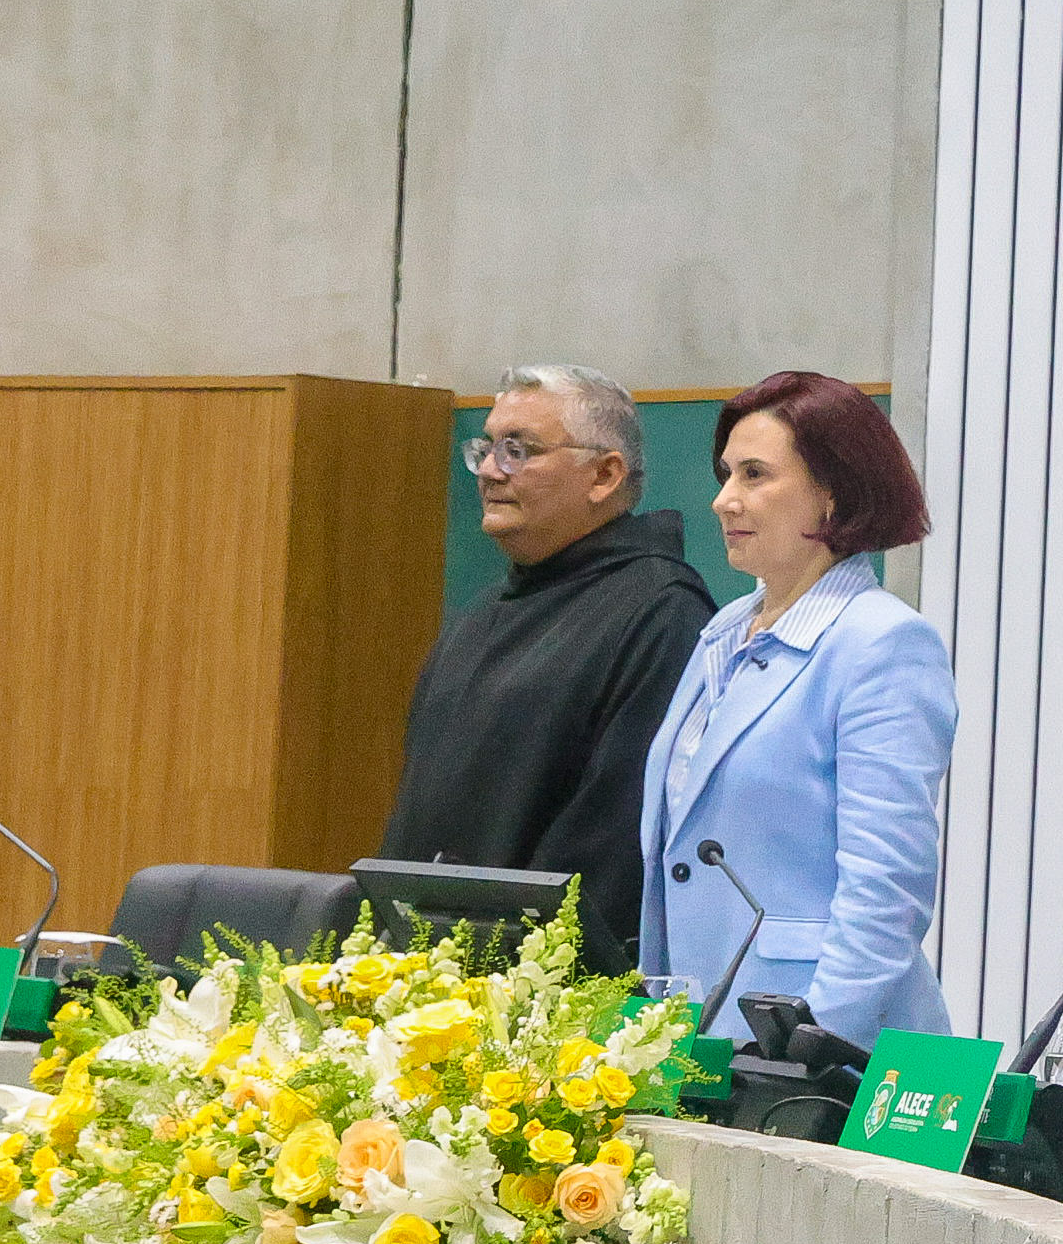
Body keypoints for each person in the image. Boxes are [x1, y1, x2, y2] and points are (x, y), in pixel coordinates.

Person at [630, 371, 957, 1045]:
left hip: (820, 1043)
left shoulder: (882, 642)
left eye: (755, 475)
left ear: (832, 493)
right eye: (726, 474)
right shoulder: (723, 631)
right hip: (697, 1030)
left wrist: (811, 1042)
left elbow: (885, 889)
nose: (724, 500)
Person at [383, 362, 713, 972]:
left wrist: (519, 974)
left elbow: (617, 832)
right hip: (427, 980)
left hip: (542, 998)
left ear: (604, 475)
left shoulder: (661, 613)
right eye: (484, 448)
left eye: (518, 449)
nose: (488, 470)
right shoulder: (487, 610)